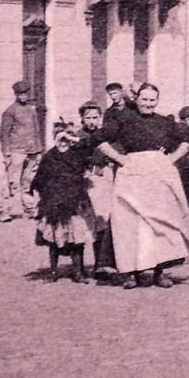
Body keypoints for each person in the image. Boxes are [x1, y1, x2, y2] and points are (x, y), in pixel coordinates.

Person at [95, 82, 189, 289]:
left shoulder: (165, 122)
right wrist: (120, 159)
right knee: (129, 223)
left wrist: (170, 159)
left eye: (152, 100)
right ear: (136, 99)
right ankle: (131, 273)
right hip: (131, 175)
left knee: (159, 222)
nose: (148, 104)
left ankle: (159, 272)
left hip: (159, 175)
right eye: (144, 99)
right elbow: (99, 140)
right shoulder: (123, 120)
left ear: (157, 101)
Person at [30, 119, 98, 284]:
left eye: (66, 140)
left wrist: (75, 142)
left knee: (77, 240)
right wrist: (36, 193)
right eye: (59, 139)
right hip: (54, 204)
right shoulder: (49, 157)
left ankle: (78, 271)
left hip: (74, 202)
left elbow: (89, 158)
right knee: (54, 240)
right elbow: (40, 177)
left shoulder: (77, 155)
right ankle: (53, 271)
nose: (63, 143)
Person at [76, 101, 116, 273]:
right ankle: (79, 267)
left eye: (95, 117)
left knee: (103, 221)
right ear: (82, 119)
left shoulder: (104, 136)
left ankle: (101, 265)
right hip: (84, 180)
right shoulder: (77, 136)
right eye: (88, 118)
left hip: (102, 180)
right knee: (84, 223)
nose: (92, 121)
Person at [0, 79, 44, 221]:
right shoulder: (10, 111)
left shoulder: (31, 110)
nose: (23, 96)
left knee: (28, 182)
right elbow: (3, 133)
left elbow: (36, 130)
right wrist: (6, 153)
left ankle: (30, 209)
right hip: (16, 151)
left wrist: (39, 150)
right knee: (12, 183)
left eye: (25, 94)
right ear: (16, 94)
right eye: (20, 94)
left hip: (32, 151)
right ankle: (4, 211)